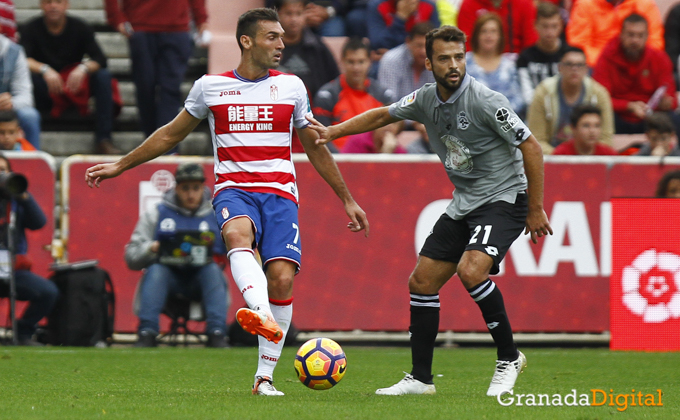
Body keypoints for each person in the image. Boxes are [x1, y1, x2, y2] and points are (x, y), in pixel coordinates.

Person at [85, 8, 368, 395]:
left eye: (282, 37)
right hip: (233, 188)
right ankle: (262, 313)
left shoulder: (292, 87)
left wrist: (347, 199)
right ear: (246, 41)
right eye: (272, 37)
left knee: (282, 277)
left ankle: (263, 378)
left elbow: (314, 148)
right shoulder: (210, 87)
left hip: (281, 193)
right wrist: (121, 164)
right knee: (237, 235)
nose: (282, 44)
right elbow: (170, 135)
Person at [306, 25, 552, 396]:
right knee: (421, 282)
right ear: (429, 63)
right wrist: (333, 131)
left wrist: (535, 209)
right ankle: (421, 379)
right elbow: (381, 116)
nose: (453, 65)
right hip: (466, 202)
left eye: (459, 57)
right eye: (444, 59)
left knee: (471, 270)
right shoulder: (424, 100)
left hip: (505, 198)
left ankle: (509, 357)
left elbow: (531, 148)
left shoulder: (487, 100)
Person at [125, 162, 229, 348]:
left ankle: (217, 332)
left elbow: (235, 254)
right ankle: (147, 332)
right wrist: (152, 247)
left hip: (201, 278)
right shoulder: (157, 213)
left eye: (196, 188)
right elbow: (131, 257)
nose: (190, 194)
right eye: (185, 188)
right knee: (156, 270)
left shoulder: (217, 215)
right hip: (167, 278)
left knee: (212, 270)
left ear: (204, 187)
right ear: (176, 188)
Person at [20, 0, 119, 154]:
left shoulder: (80, 27)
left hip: (75, 85)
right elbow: (22, 59)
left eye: (58, 2)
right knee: (28, 78)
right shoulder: (30, 28)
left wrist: (83, 68)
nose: (53, 6)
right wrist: (45, 70)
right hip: (44, 89)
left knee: (103, 76)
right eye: (48, 2)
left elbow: (100, 59)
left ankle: (103, 139)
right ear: (41, 5)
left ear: (67, 5)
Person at [104, 0, 209, 141]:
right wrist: (116, 19)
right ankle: (152, 142)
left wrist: (201, 19)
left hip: (176, 29)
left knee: (171, 89)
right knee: (145, 87)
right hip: (141, 27)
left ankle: (168, 144)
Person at [0, 153, 59, 345]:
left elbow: (39, 222)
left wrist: (23, 195)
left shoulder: (16, 200)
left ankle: (23, 333)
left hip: (11, 270)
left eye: (3, 171)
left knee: (48, 292)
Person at [592, 14, 677, 135]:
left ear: (647, 36)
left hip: (650, 116)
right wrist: (628, 106)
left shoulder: (660, 59)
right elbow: (600, 98)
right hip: (618, 115)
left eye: (640, 36)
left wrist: (666, 103)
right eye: (630, 35)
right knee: (595, 116)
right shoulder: (607, 57)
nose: (635, 40)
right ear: (621, 35)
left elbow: (672, 100)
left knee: (674, 118)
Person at [314, 37, 397, 151]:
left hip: (374, 162)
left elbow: (393, 128)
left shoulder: (382, 94)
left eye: (361, 62)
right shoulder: (328, 95)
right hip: (339, 160)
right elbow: (321, 135)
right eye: (351, 62)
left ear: (370, 62)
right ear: (342, 62)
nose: (356, 68)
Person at [527, 46, 614, 154]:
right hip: (553, 158)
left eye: (579, 65)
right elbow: (536, 139)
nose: (574, 69)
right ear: (559, 67)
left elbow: (605, 139)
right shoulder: (543, 93)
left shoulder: (599, 94)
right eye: (569, 64)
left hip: (588, 157)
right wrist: (562, 157)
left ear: (586, 69)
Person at [566, 0, 664, 67]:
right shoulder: (585, 4)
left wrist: (632, 61)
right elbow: (578, 47)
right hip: (597, 65)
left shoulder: (644, 4)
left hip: (637, 62)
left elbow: (655, 43)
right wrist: (610, 60)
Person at [274, 0, 340, 100]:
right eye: (288, 13)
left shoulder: (318, 47)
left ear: (306, 14)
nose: (294, 19)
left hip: (315, 110)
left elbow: (335, 81)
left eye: (298, 14)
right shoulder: (269, 47)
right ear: (278, 15)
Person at [465, 14, 524, 114]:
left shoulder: (509, 65)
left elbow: (518, 99)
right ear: (476, 35)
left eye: (493, 31)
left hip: (505, 121)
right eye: (484, 31)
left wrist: (501, 115)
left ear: (500, 36)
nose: (489, 36)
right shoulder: (464, 62)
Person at [517, 2, 571, 106]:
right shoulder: (525, 57)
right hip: (535, 111)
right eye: (545, 26)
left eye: (554, 26)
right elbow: (526, 95)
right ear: (535, 25)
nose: (550, 32)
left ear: (561, 26)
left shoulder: (569, 55)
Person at [0, 34, 41, 150]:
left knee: (30, 116)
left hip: (6, 109)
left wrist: (11, 103)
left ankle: (33, 163)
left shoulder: (14, 52)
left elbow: (26, 96)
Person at [378, 22, 435, 100]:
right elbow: (388, 102)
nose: (423, 51)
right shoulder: (391, 60)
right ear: (408, 42)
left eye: (427, 46)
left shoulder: (438, 61)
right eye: (419, 45)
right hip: (397, 111)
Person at [457, 0, 538, 54]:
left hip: (517, 64)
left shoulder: (524, 3)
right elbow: (465, 43)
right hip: (478, 65)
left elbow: (531, 41)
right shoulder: (469, 4)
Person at [366, 0, 440, 54]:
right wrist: (400, 17)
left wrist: (391, 54)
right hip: (387, 59)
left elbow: (436, 40)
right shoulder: (377, 5)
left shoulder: (429, 6)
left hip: (422, 55)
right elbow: (377, 44)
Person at [552, 104, 618, 155]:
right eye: (586, 125)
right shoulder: (560, 154)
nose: (592, 131)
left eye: (597, 126)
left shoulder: (609, 155)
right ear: (573, 128)